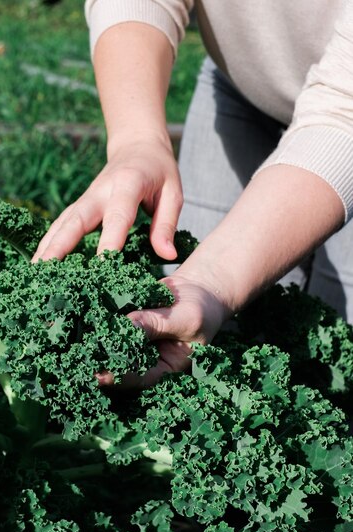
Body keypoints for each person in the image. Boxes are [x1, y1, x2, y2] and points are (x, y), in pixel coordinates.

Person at [33, 1, 353, 385]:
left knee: (336, 355)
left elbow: (343, 114)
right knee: (193, 343)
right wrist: (137, 141)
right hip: (241, 87)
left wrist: (213, 280)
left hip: (345, 119)